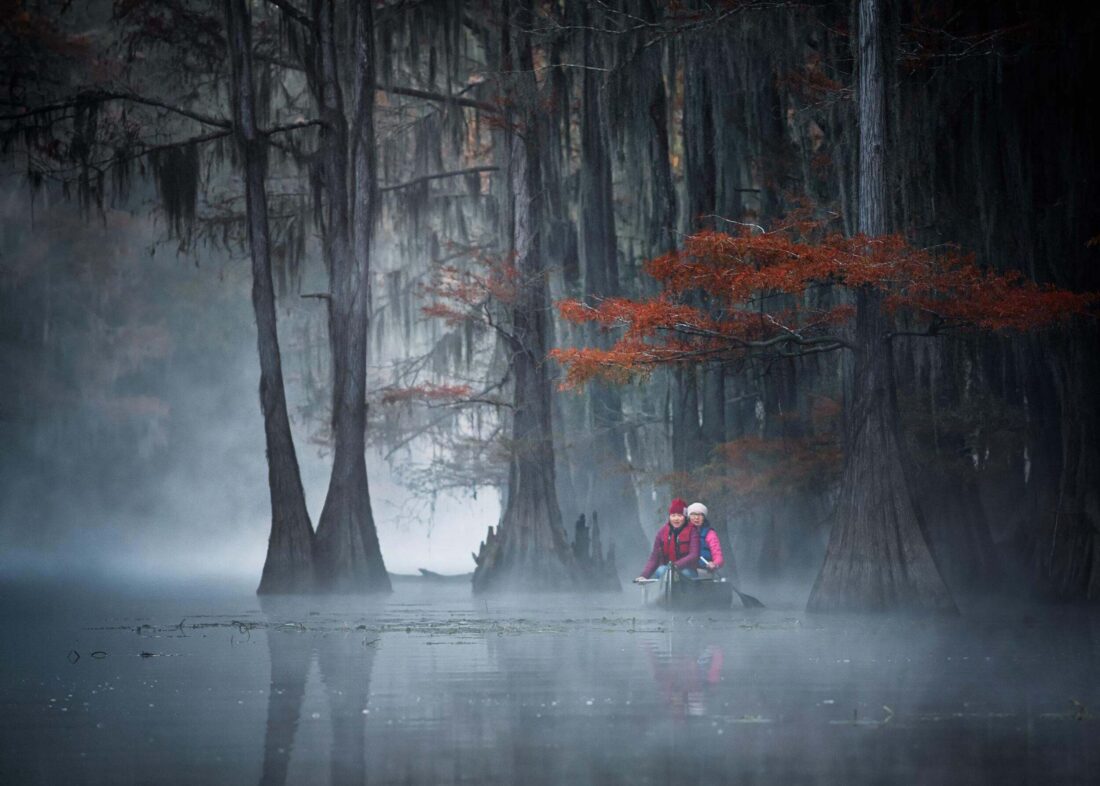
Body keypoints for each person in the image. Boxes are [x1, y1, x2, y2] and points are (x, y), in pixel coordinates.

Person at [634, 498, 699, 583]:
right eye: (673, 515)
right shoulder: (662, 533)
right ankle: (666, 594)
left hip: (687, 570)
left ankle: (686, 595)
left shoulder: (692, 531)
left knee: (684, 573)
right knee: (661, 570)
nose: (676, 519)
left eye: (679, 515)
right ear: (669, 516)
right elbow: (654, 558)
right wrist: (644, 575)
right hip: (666, 571)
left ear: (685, 517)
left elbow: (694, 555)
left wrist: (675, 566)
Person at [687, 502, 723, 573]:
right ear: (689, 517)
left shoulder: (710, 534)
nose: (696, 517)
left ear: (704, 518)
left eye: (700, 515)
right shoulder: (681, 532)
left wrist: (715, 564)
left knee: (687, 572)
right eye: (693, 514)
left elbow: (718, 555)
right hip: (683, 567)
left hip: (702, 570)